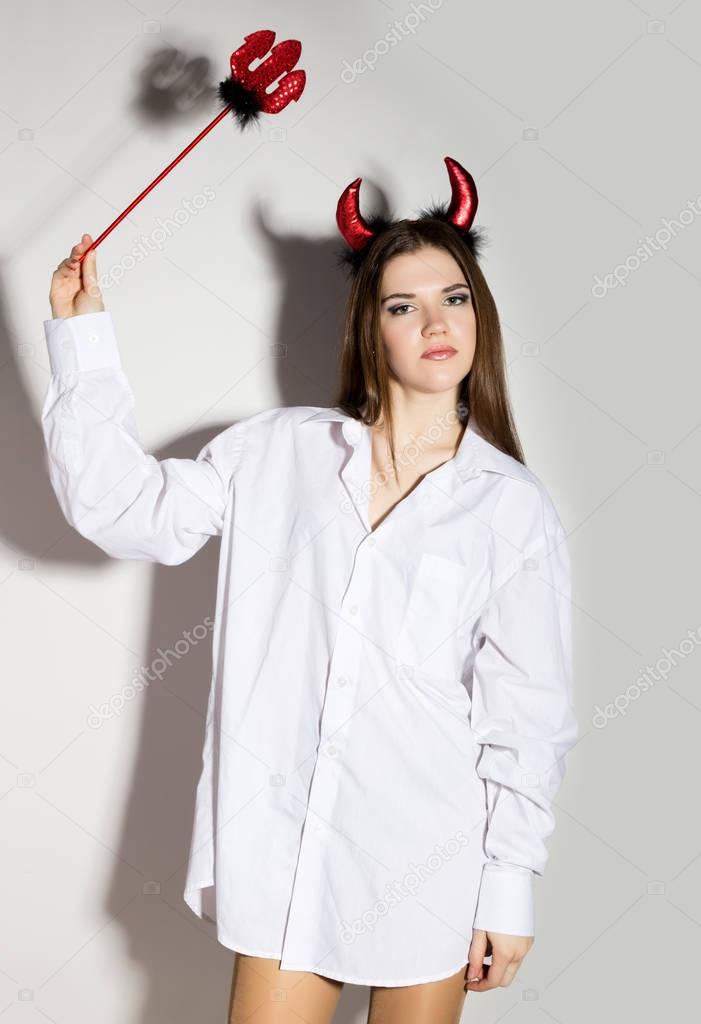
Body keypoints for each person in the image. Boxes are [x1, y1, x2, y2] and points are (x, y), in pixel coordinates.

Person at [43, 159, 577, 1024]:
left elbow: (528, 713)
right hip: (284, 855)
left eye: (454, 298)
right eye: (402, 306)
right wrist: (81, 337)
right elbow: (124, 511)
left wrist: (507, 885)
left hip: (430, 865)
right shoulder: (274, 454)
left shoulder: (512, 508)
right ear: (371, 327)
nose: (435, 323)